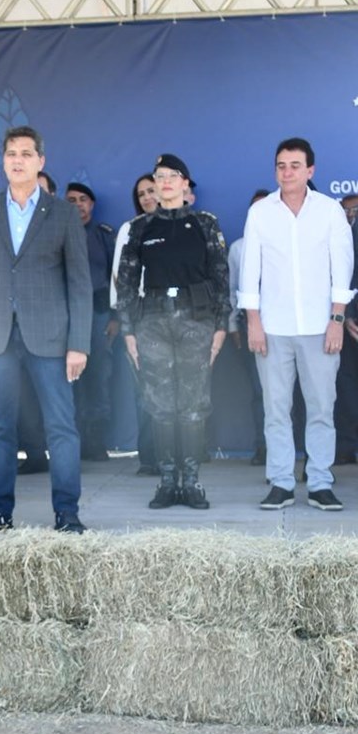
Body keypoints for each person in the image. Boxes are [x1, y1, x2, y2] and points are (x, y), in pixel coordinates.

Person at [0, 125, 92, 532]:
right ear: (3, 161)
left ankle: (67, 513)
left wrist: (79, 343)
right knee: (0, 428)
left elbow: (79, 283)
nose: (17, 160)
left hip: (51, 338)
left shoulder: (63, 213)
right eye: (11, 154)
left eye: (25, 153)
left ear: (40, 161)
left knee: (61, 427)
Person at [239, 138, 354, 510]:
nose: (286, 172)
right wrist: (253, 322)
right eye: (281, 165)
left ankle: (320, 482)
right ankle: (281, 483)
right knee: (276, 410)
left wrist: (337, 320)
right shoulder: (261, 212)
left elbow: (342, 267)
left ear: (310, 170)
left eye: (294, 165)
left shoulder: (329, 211)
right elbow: (249, 270)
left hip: (320, 327)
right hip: (272, 327)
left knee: (321, 409)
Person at [117, 154, 229, 510]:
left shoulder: (204, 224)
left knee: (193, 406)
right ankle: (167, 481)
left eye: (171, 176)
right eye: (159, 176)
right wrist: (128, 332)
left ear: (185, 184)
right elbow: (126, 283)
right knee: (161, 406)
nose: (164, 182)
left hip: (196, 321)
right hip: (152, 322)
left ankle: (191, 482)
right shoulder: (141, 227)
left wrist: (221, 326)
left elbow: (221, 277)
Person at [110, 173, 158, 474]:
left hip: (177, 318)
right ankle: (150, 457)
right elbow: (119, 279)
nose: (147, 197)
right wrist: (125, 321)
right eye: (141, 194)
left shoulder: (184, 224)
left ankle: (180, 457)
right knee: (146, 392)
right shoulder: (130, 229)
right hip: (141, 318)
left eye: (151, 190)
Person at [65, 181, 117, 459]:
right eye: (71, 201)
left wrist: (115, 317)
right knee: (68, 381)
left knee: (98, 376)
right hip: (65, 318)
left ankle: (96, 442)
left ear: (92, 205)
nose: (78, 206)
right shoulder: (57, 233)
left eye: (83, 200)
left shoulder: (103, 235)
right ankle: (71, 441)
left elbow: (117, 278)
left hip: (98, 315)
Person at [228, 190, 271, 465]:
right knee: (259, 390)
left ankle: (299, 450)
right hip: (250, 326)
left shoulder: (288, 243)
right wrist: (233, 324)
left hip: (286, 324)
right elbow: (233, 289)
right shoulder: (238, 248)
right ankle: (263, 447)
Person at [334, 194, 358, 464]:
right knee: (346, 384)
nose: (352, 213)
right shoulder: (346, 233)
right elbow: (348, 274)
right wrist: (348, 314)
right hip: (351, 323)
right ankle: (346, 445)